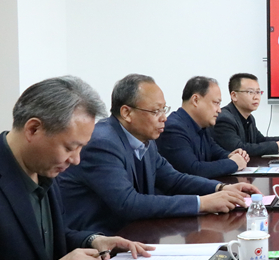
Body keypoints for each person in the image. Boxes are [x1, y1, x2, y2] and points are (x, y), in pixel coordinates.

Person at [0, 76, 152, 260]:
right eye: (69, 147)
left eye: (81, 148)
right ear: (33, 129)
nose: (76, 160)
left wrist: (92, 240)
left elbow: (44, 239)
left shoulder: (43, 169)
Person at [58, 74, 259, 235]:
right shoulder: (103, 143)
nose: (164, 118)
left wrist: (220, 187)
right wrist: (202, 203)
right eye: (156, 111)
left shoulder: (146, 139)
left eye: (164, 109)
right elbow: (128, 203)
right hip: (95, 243)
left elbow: (173, 179)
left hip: (133, 234)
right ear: (127, 113)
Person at [157, 76, 249, 178]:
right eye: (216, 103)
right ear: (195, 100)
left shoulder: (201, 125)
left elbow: (214, 151)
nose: (219, 110)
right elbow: (194, 170)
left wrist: (230, 155)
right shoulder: (174, 129)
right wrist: (234, 163)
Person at [213, 73, 279, 157]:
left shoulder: (249, 117)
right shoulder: (224, 119)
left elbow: (260, 140)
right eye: (250, 92)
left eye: (258, 92)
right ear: (234, 96)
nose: (256, 97)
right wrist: (277, 146)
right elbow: (239, 149)